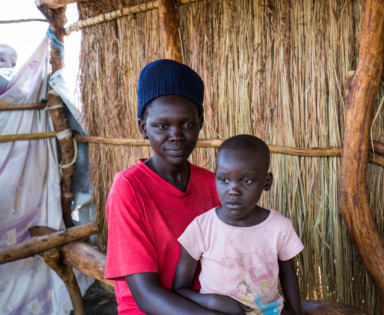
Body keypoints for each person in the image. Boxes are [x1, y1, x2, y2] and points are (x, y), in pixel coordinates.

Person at [104, 59, 223, 314]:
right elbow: (146, 296)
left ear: (200, 124)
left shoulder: (213, 185)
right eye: (162, 126)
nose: (176, 135)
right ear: (143, 128)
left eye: (187, 124)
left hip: (205, 305)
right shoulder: (129, 189)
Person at [173, 135, 304, 315]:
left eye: (246, 180)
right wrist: (212, 301)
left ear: (266, 182)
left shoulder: (279, 227)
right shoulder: (202, 228)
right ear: (216, 177)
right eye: (224, 180)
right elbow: (180, 288)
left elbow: (288, 274)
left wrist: (296, 312)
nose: (233, 190)